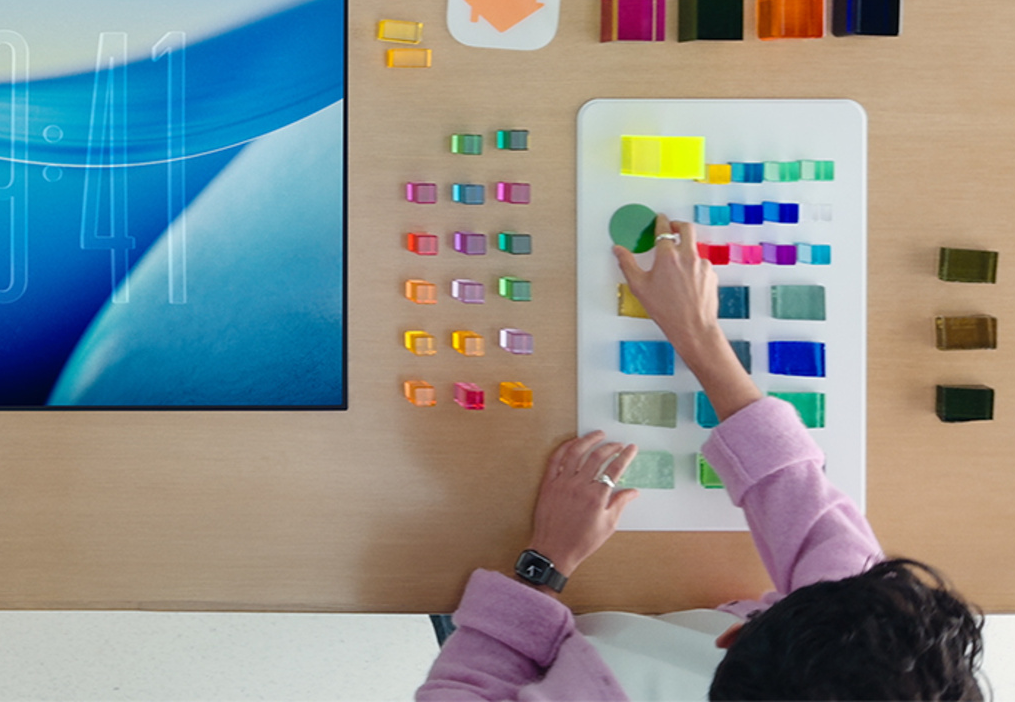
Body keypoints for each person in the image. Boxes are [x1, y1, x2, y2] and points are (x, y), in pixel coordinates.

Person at [417, 216, 986, 700]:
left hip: (548, 651)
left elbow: (461, 690)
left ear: (732, 639)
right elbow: (815, 522)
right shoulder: (866, 666)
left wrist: (542, 565)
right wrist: (700, 337)